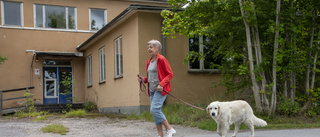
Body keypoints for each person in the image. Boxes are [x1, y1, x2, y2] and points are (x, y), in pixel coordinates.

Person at [137, 40, 176, 137]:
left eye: (151, 47)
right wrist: (143, 79)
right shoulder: (149, 62)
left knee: (154, 110)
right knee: (155, 112)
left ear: (157, 48)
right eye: (148, 47)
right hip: (152, 90)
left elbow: (169, 74)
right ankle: (160, 135)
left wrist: (161, 84)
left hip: (161, 90)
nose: (148, 49)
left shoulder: (161, 59)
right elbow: (152, 77)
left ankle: (170, 129)